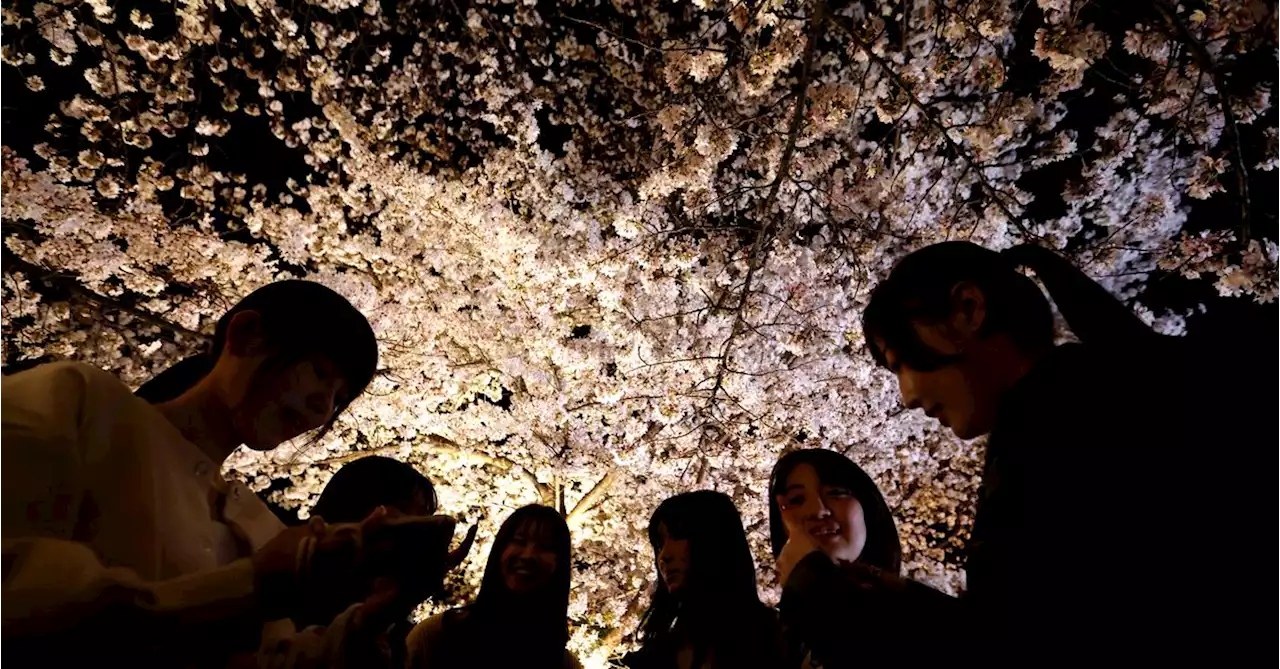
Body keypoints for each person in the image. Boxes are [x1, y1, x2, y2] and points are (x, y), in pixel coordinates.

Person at [0, 280, 461, 667]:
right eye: (319, 373)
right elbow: (21, 592)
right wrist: (253, 582)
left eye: (339, 398)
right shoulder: (77, 402)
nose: (324, 406)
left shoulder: (257, 523)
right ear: (247, 334)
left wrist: (379, 611)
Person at [860, 241, 1245, 661]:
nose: (908, 396)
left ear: (968, 309)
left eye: (900, 363)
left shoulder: (1071, 431)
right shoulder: (1086, 401)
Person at [769, 449, 955, 668]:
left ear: (868, 508)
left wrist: (809, 579)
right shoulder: (774, 643)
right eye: (797, 500)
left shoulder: (925, 623)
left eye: (836, 492)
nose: (818, 511)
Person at [406, 504, 581, 669]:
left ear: (560, 564)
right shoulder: (435, 636)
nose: (528, 555)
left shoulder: (563, 664)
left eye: (544, 547)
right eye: (519, 541)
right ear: (500, 550)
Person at [624, 491, 785, 669]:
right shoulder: (656, 656)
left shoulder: (778, 640)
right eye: (659, 544)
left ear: (715, 540)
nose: (664, 555)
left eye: (678, 536)